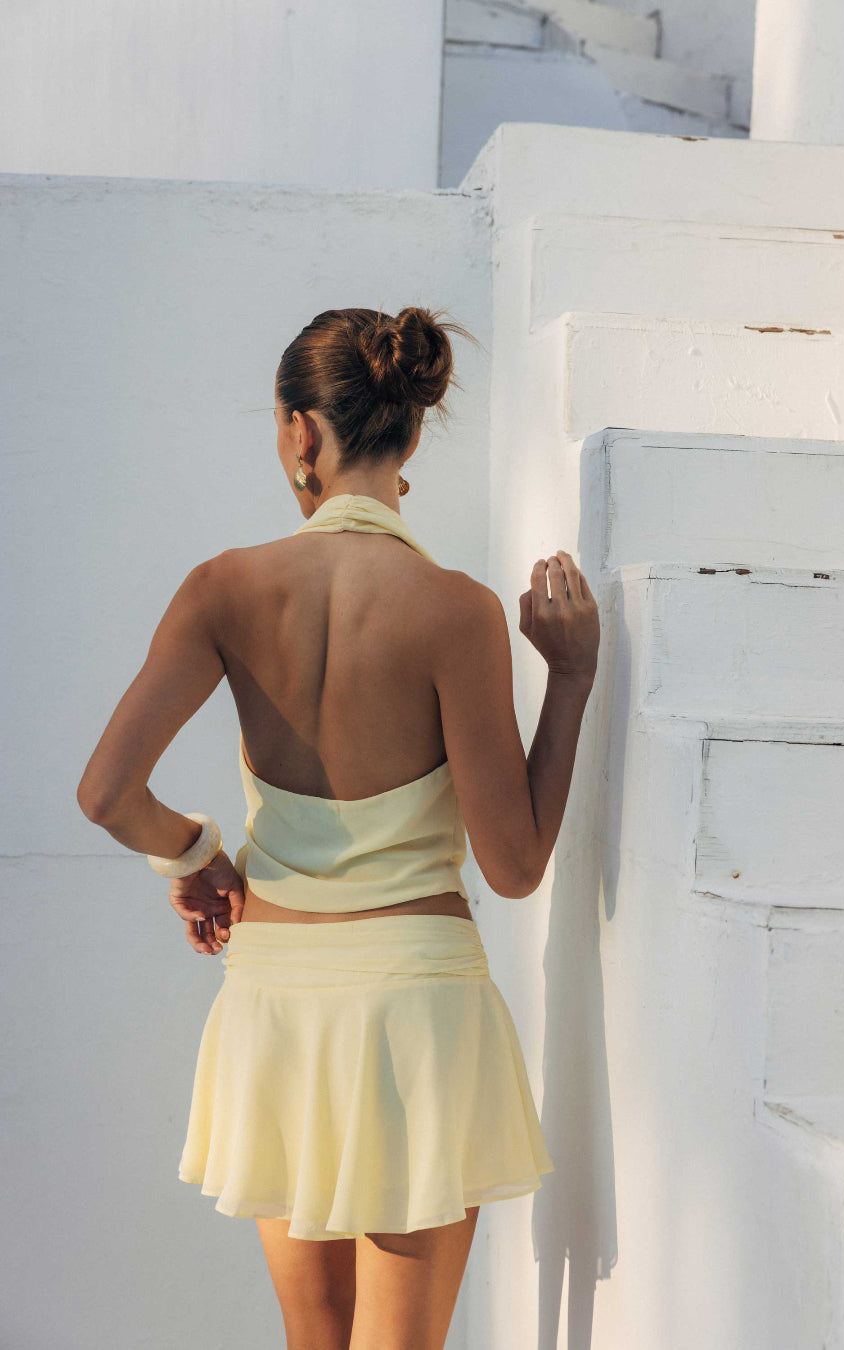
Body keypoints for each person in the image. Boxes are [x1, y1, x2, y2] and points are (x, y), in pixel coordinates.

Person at [76, 304, 600, 1350]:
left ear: (298, 433)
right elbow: (515, 865)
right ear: (409, 436)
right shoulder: (454, 610)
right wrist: (573, 679)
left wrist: (196, 855)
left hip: (277, 1007)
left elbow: (106, 793)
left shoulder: (222, 589)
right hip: (416, 1010)